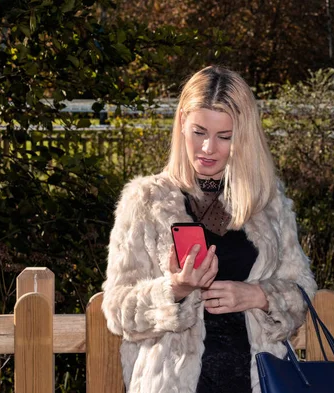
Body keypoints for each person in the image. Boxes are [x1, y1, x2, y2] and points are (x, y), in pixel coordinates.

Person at [101, 65, 317, 393]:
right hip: (174, 384)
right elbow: (118, 310)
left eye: (224, 137)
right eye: (199, 132)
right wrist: (174, 289)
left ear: (243, 137)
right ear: (182, 125)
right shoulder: (146, 200)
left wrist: (258, 295)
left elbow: (302, 293)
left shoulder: (266, 200)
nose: (207, 149)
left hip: (256, 381)